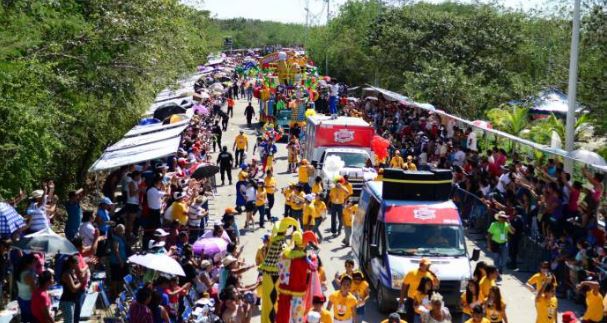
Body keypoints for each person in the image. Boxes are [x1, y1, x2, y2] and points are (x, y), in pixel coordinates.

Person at [399, 258, 439, 323]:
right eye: (426, 265)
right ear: (421, 265)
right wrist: (401, 298)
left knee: (425, 318)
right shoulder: (412, 273)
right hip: (412, 298)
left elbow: (436, 285)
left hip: (425, 299)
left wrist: (434, 274)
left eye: (429, 265)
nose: (428, 266)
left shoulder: (430, 274)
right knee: (411, 318)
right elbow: (404, 285)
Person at [59, 255, 82, 323]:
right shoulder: (67, 274)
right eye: (77, 263)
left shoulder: (72, 272)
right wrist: (81, 282)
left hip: (72, 300)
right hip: (67, 301)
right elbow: (73, 288)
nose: (78, 265)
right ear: (71, 264)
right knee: (69, 321)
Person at [109, 224, 128, 298]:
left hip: (121, 261)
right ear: (119, 231)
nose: (123, 232)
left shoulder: (120, 238)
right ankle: (114, 294)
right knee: (115, 279)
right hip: (116, 262)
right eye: (123, 231)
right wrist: (120, 261)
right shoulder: (115, 238)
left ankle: (120, 292)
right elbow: (116, 250)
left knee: (120, 278)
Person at [16, 254, 36, 323]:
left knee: (25, 320)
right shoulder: (28, 275)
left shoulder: (20, 271)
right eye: (34, 262)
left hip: (21, 298)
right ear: (28, 263)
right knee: (31, 319)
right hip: (28, 301)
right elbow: (34, 290)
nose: (35, 263)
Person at [125, 171, 142, 238]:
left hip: (134, 203)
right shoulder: (131, 183)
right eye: (138, 176)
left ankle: (129, 234)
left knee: (132, 221)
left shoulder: (136, 183)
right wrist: (139, 189)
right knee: (130, 221)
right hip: (132, 204)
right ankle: (128, 236)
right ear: (135, 176)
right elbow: (131, 194)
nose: (139, 177)